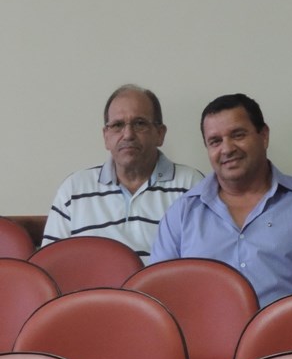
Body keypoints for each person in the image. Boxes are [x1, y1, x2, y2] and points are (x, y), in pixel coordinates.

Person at [150, 93, 292, 307]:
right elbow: (161, 291)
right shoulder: (182, 213)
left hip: (291, 327)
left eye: (238, 135)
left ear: (264, 136)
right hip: (203, 329)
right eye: (215, 141)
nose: (227, 149)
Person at [42, 84, 204, 263]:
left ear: (160, 134)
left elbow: (201, 265)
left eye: (139, 123)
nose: (128, 135)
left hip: (165, 283)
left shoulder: (191, 186)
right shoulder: (73, 191)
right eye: (117, 125)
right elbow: (51, 266)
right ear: (106, 137)